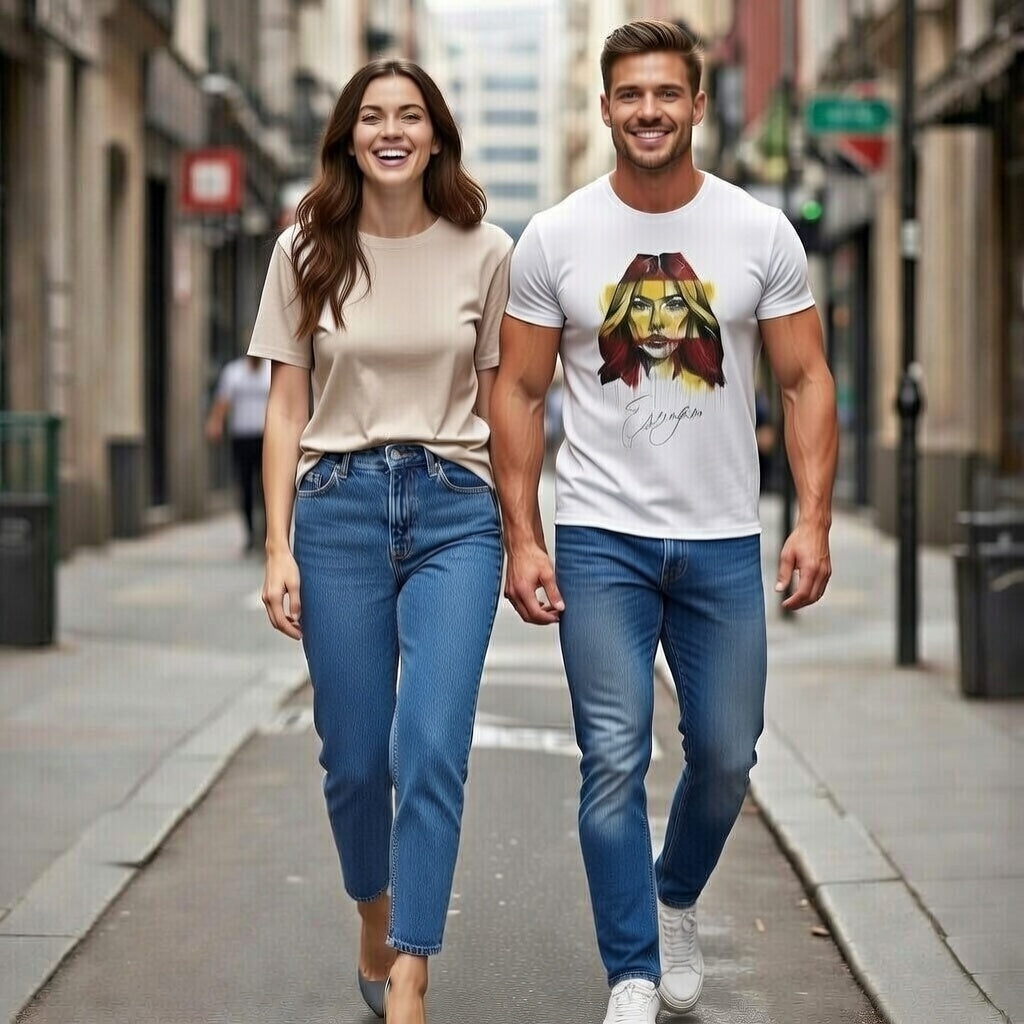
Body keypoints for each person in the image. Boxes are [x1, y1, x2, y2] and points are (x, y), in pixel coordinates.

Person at [490, 19, 837, 1024]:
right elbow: (517, 391)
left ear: (696, 103)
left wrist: (812, 520)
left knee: (726, 755)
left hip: (723, 538)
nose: (649, 110)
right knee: (612, 758)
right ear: (605, 107)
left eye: (666, 93)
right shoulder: (555, 237)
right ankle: (632, 972)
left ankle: (673, 892)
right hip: (602, 538)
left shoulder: (759, 231)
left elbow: (806, 379)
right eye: (631, 94)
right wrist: (524, 535)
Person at [247, 58, 511, 1024]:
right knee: (355, 758)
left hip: (456, 511)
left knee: (431, 746)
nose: (390, 131)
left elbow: (503, 404)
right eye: (371, 117)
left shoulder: (488, 249)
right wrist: (277, 546)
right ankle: (373, 909)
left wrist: (523, 534)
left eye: (409, 116)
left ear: (436, 136)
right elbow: (286, 407)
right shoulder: (304, 250)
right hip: (338, 511)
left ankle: (411, 969)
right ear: (348, 138)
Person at [204, 353, 272, 551]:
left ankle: (268, 532)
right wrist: (216, 422)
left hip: (265, 438)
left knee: (266, 486)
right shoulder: (234, 372)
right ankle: (250, 532)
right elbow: (223, 401)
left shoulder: (270, 371)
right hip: (241, 437)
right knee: (245, 486)